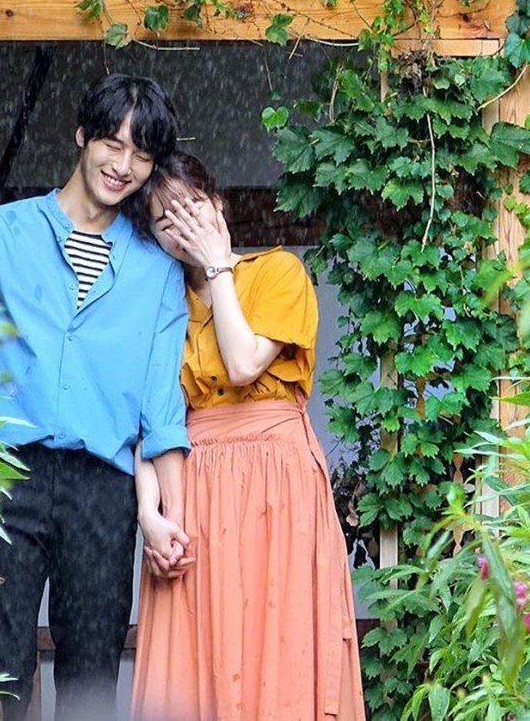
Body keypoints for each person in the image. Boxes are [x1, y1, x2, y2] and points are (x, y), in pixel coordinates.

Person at [0, 74, 191, 721]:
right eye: (112, 143)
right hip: (1, 473)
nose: (123, 165)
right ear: (81, 135)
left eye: (141, 153)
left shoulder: (157, 271)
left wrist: (167, 516)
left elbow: (160, 408)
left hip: (102, 490)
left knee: (92, 672)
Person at [130, 152, 365, 721]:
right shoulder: (160, 305)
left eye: (191, 208)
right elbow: (147, 420)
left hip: (276, 482)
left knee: (281, 643)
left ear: (218, 202)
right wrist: (148, 514)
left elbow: (241, 365)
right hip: (196, 486)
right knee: (198, 658)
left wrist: (218, 266)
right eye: (165, 221)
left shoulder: (279, 271)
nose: (183, 227)